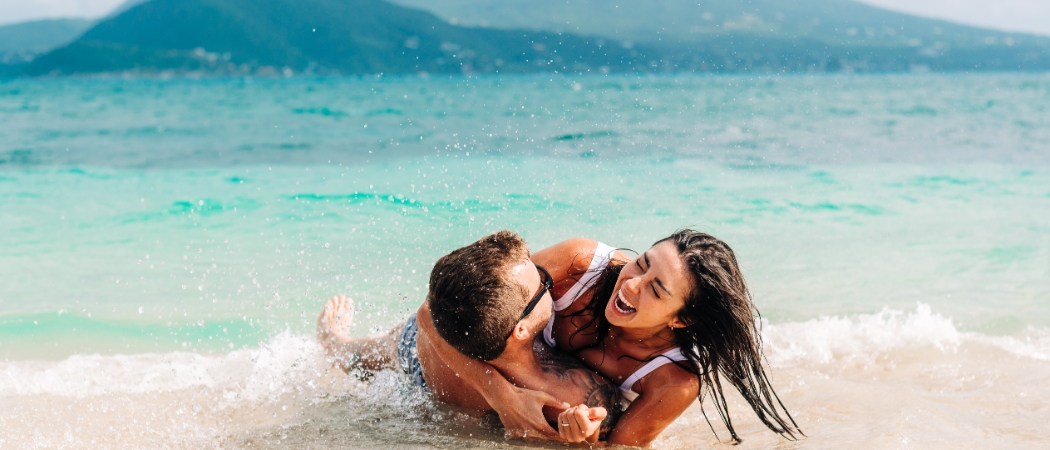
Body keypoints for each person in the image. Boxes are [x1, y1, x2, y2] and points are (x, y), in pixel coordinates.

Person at [424, 229, 802, 447]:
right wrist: (501, 396)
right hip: (444, 355)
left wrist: (582, 437)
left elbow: (617, 447)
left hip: (478, 382)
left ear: (682, 319)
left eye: (656, 289)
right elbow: (434, 313)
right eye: (643, 262)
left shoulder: (673, 381)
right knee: (377, 356)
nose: (631, 284)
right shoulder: (580, 267)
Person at [317, 230, 622, 443]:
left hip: (448, 325)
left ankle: (338, 344)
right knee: (361, 354)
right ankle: (333, 341)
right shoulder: (553, 396)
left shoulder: (464, 321)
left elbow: (430, 312)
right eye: (543, 283)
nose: (549, 281)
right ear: (520, 330)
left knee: (381, 349)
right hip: (419, 353)